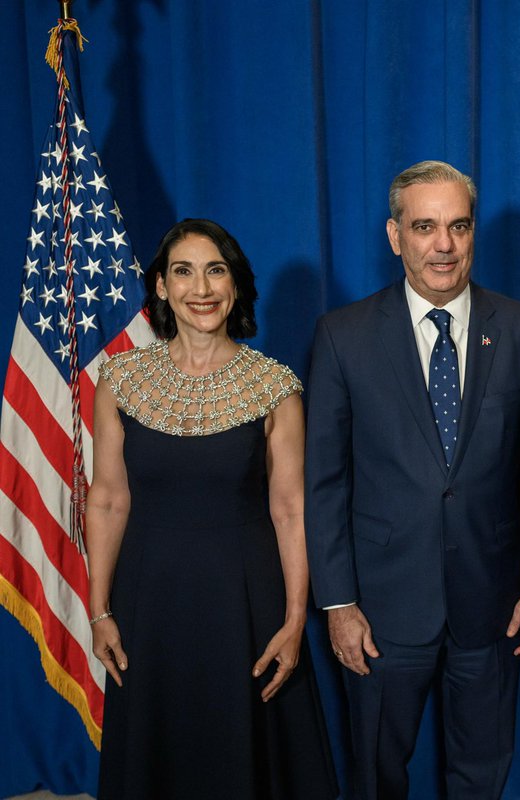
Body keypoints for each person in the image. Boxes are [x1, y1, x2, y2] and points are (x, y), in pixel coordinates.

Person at [304, 160, 520, 799]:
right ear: (396, 236)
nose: (443, 245)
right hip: (382, 610)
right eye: (424, 227)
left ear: (474, 234)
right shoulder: (344, 336)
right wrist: (338, 603)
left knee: (483, 772)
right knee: (376, 774)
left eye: (458, 226)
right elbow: (325, 481)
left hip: (493, 604)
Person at [87, 219, 336, 800]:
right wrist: (99, 610)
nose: (201, 288)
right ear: (161, 287)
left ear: (236, 285)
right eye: (184, 271)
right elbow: (107, 498)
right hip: (149, 604)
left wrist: (296, 618)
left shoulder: (275, 386)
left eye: (215, 270)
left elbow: (291, 509)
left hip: (247, 604)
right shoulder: (119, 379)